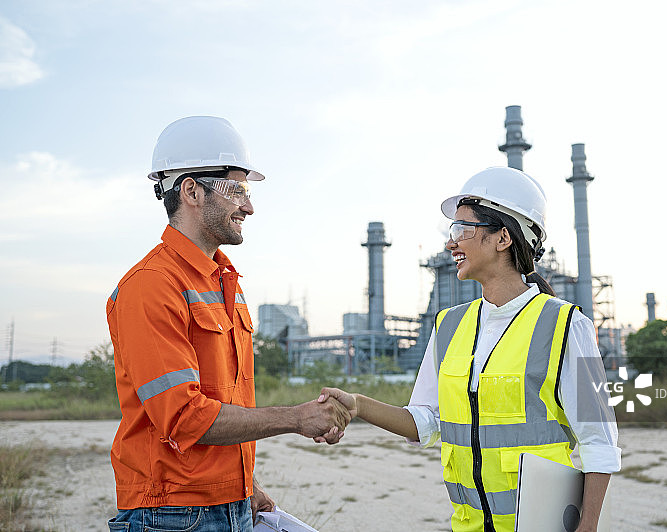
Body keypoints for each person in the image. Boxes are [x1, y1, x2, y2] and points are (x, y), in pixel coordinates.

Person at [321, 166, 621, 532]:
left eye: (462, 230)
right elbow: (424, 422)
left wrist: (588, 526)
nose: (451, 244)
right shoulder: (448, 326)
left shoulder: (567, 324)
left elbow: (598, 440)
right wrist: (358, 405)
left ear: (503, 238)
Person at [106, 116, 351, 532]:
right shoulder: (151, 285)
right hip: (171, 514)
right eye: (237, 190)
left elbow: (224, 399)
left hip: (229, 503)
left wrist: (244, 483)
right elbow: (184, 416)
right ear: (191, 191)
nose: (249, 206)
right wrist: (296, 418)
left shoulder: (224, 283)